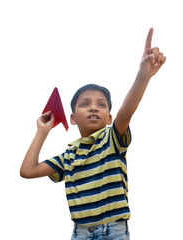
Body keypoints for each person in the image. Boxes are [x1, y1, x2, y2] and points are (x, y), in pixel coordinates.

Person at [20, 27, 166, 240]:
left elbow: (127, 111)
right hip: (80, 233)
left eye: (101, 104)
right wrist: (43, 131)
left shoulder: (112, 139)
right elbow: (27, 170)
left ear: (109, 118)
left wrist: (143, 76)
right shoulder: (68, 156)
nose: (93, 108)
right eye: (85, 104)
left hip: (114, 231)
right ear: (72, 118)